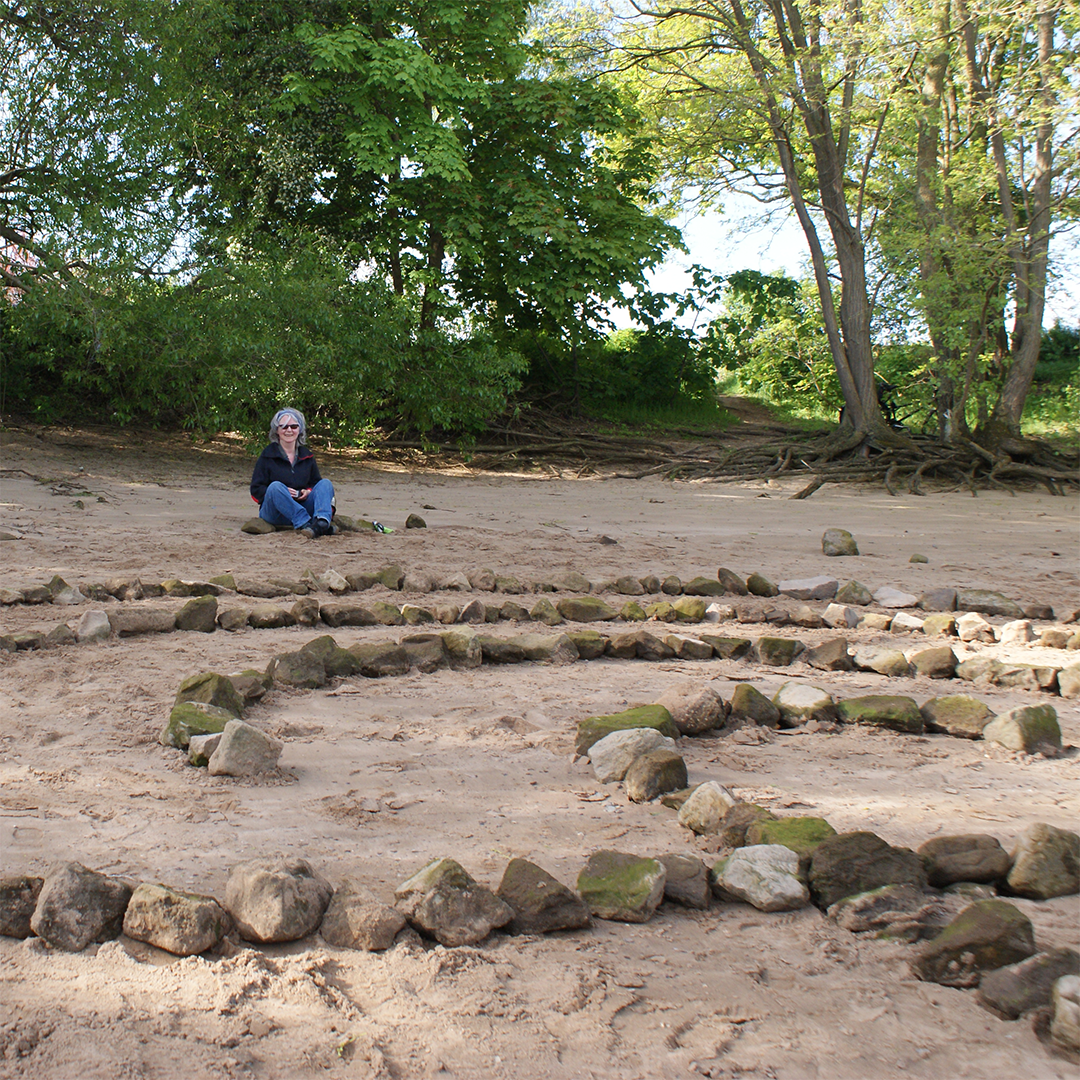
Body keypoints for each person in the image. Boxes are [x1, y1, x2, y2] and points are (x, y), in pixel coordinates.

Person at [250, 408, 337, 537]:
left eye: (294, 426)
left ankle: (322, 522)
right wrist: (283, 494)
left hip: (303, 505)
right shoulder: (267, 456)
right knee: (275, 487)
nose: (289, 430)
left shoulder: (307, 456)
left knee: (326, 484)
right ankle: (306, 524)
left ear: (300, 430)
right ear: (277, 430)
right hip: (275, 512)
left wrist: (307, 491)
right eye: (284, 427)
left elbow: (316, 485)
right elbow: (256, 491)